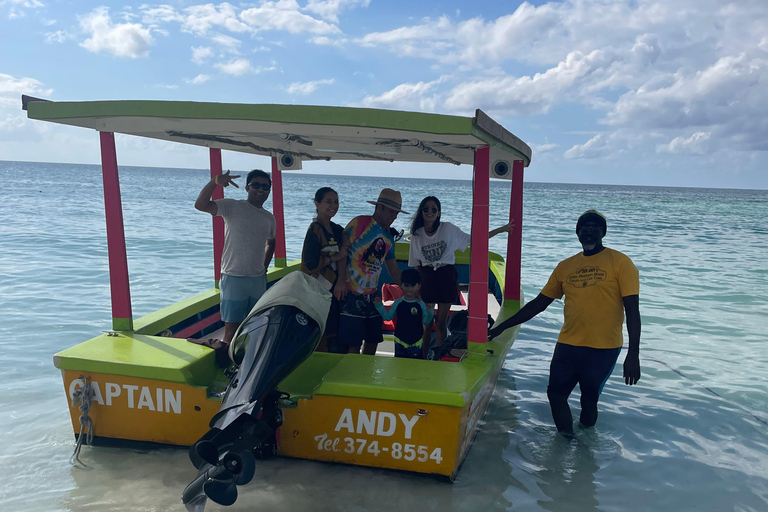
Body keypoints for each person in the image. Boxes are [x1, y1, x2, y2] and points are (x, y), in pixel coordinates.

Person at [488, 210, 641, 435]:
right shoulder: (565, 266)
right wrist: (501, 326)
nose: (589, 231)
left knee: (589, 400)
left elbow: (633, 311)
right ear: (577, 233)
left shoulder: (621, 263)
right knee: (555, 394)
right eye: (584, 227)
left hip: (604, 348)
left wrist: (633, 354)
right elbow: (539, 303)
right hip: (568, 344)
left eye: (595, 227)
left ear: (603, 233)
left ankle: (586, 447)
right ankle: (567, 439)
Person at [408, 196, 513, 356]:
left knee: (441, 323)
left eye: (434, 209)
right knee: (426, 323)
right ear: (421, 211)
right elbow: (416, 263)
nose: (430, 212)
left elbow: (474, 240)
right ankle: (422, 357)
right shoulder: (416, 234)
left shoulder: (448, 229)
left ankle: (439, 356)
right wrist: (416, 287)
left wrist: (501, 229)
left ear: (439, 213)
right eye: (426, 208)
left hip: (446, 276)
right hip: (426, 277)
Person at [195, 169, 276, 346]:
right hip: (233, 277)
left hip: (258, 281)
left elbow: (271, 242)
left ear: (269, 190)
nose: (260, 189)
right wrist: (215, 181)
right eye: (256, 185)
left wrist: (264, 267)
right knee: (231, 333)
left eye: (265, 186)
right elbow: (200, 205)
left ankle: (246, 365)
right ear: (247, 187)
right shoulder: (232, 206)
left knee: (254, 329)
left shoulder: (269, 218)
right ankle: (228, 367)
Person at [334, 188, 406, 356]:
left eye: (396, 213)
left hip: (372, 296)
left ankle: (367, 374)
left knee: (373, 340)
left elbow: (393, 269)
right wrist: (340, 281)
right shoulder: (359, 223)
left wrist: (410, 289)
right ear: (379, 207)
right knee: (352, 345)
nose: (394, 216)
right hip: (351, 293)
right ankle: (352, 376)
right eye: (391, 212)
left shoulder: (389, 237)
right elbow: (343, 252)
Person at [301, 187, 348, 353]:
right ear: (317, 203)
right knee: (320, 330)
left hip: (335, 290)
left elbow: (346, 251)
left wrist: (341, 280)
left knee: (334, 330)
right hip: (316, 290)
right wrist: (334, 257)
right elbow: (311, 263)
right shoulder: (314, 230)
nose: (333, 205)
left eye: (336, 202)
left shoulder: (337, 229)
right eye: (328, 201)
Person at [374, 269, 433, 359]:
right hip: (399, 341)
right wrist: (379, 306)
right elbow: (388, 317)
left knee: (416, 367)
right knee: (399, 366)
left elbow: (425, 321)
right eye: (406, 285)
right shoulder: (398, 303)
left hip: (417, 342)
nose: (409, 288)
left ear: (419, 286)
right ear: (401, 285)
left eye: (412, 285)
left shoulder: (420, 304)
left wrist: (430, 311)